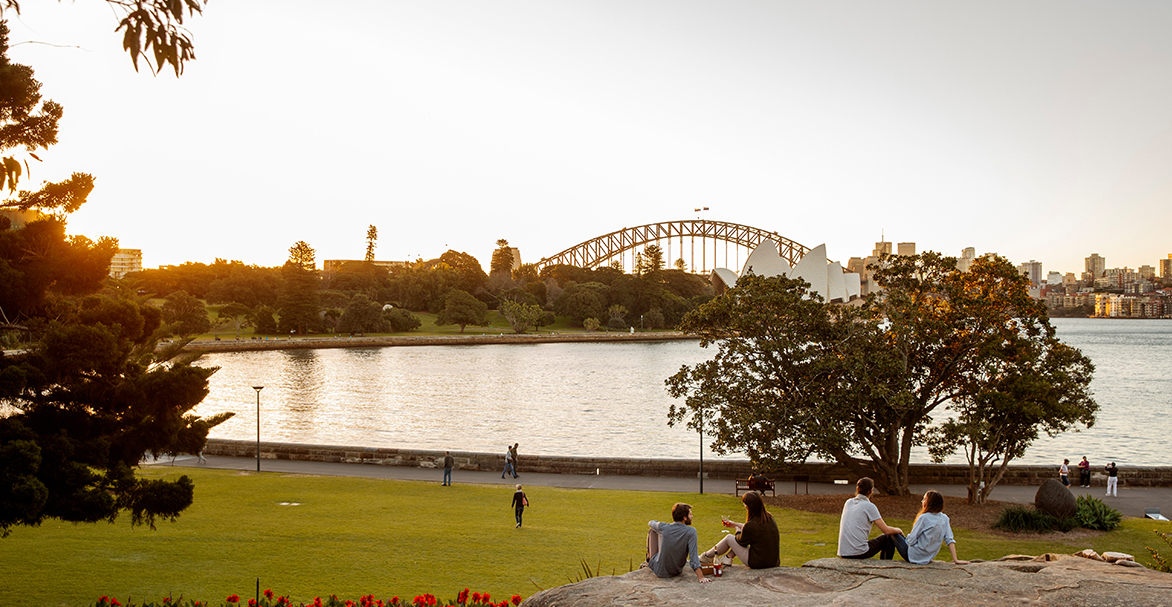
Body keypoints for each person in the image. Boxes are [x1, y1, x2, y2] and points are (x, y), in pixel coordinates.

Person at [699, 491, 780, 569]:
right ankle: (728, 557)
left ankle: (706, 557)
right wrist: (734, 524)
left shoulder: (751, 525)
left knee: (729, 538)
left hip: (758, 562)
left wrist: (737, 530)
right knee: (736, 538)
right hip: (773, 561)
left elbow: (741, 541)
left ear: (748, 506)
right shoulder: (768, 517)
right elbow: (749, 530)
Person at [837, 477, 904, 560]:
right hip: (858, 552)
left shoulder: (848, 502)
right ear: (871, 491)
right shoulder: (869, 506)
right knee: (888, 537)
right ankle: (886, 564)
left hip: (844, 552)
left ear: (857, 488)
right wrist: (898, 530)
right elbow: (886, 530)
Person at [644, 503, 710, 583]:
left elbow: (650, 522)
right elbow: (694, 557)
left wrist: (659, 525)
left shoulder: (664, 527)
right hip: (676, 571)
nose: (692, 517)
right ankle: (651, 559)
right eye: (690, 515)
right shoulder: (691, 531)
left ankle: (649, 559)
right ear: (684, 518)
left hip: (659, 571)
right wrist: (701, 577)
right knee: (656, 531)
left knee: (652, 530)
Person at [900, 490, 970, 565]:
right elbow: (950, 540)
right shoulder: (944, 518)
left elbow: (911, 540)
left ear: (930, 503)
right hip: (927, 557)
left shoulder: (924, 518)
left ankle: (886, 562)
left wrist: (902, 536)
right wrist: (956, 560)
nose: (922, 501)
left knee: (892, 534)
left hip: (913, 555)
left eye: (924, 499)